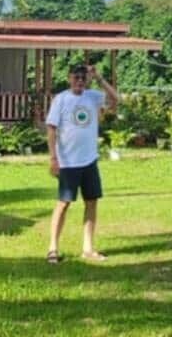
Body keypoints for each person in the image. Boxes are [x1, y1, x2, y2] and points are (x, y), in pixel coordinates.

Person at [45, 62, 116, 264]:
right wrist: (53, 158)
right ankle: (53, 248)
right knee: (63, 203)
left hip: (89, 160)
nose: (79, 81)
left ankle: (88, 248)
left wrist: (99, 77)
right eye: (76, 77)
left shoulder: (92, 96)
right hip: (68, 162)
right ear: (69, 78)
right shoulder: (61, 99)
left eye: (83, 78)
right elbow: (51, 129)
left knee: (91, 202)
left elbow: (114, 99)